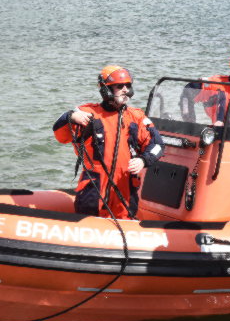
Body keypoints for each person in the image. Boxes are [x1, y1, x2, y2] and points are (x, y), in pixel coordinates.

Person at [53, 65, 164, 219]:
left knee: (126, 221)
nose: (125, 90)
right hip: (95, 184)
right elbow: (60, 136)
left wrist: (143, 160)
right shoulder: (88, 113)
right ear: (106, 89)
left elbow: (157, 145)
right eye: (120, 86)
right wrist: (69, 117)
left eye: (128, 85)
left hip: (125, 184)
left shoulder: (136, 117)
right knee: (88, 222)